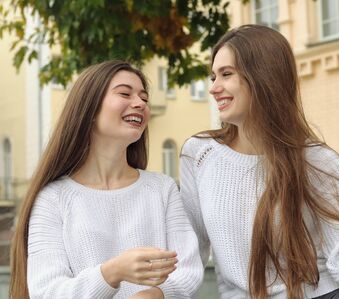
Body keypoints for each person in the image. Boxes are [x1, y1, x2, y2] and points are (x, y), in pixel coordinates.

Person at [180, 25, 339, 299]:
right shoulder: (199, 155)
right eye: (213, 76)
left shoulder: (317, 159)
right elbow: (188, 257)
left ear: (263, 77)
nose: (214, 88)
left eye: (226, 75)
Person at [10, 60, 203, 299]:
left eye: (144, 98)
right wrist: (112, 272)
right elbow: (47, 292)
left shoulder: (163, 189)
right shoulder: (52, 198)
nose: (139, 103)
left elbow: (188, 271)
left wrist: (154, 295)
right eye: (125, 93)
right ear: (89, 109)